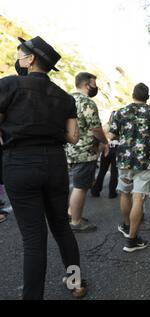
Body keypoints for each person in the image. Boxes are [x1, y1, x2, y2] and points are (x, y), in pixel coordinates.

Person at [0, 36, 86, 299]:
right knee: (61, 226)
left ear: (31, 59)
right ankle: (75, 283)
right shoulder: (63, 96)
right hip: (55, 162)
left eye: (20, 53)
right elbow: (74, 137)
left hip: (20, 162)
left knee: (34, 238)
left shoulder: (9, 84)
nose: (18, 57)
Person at [110, 83, 150, 252]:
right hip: (144, 162)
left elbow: (111, 135)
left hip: (123, 161)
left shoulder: (120, 112)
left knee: (125, 192)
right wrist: (148, 142)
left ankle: (126, 225)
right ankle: (132, 240)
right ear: (147, 97)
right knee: (138, 198)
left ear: (133, 95)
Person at [66, 72, 109, 233]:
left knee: (76, 185)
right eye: (94, 83)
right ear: (86, 84)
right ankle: (76, 222)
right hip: (85, 152)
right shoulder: (87, 102)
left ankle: (71, 214)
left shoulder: (67, 99)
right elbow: (96, 128)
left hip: (69, 150)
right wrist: (105, 142)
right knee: (81, 187)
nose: (95, 86)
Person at [91, 110, 119, 199]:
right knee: (114, 172)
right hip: (116, 149)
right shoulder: (120, 126)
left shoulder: (106, 126)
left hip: (106, 149)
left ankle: (95, 190)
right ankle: (112, 192)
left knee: (102, 170)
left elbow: (101, 137)